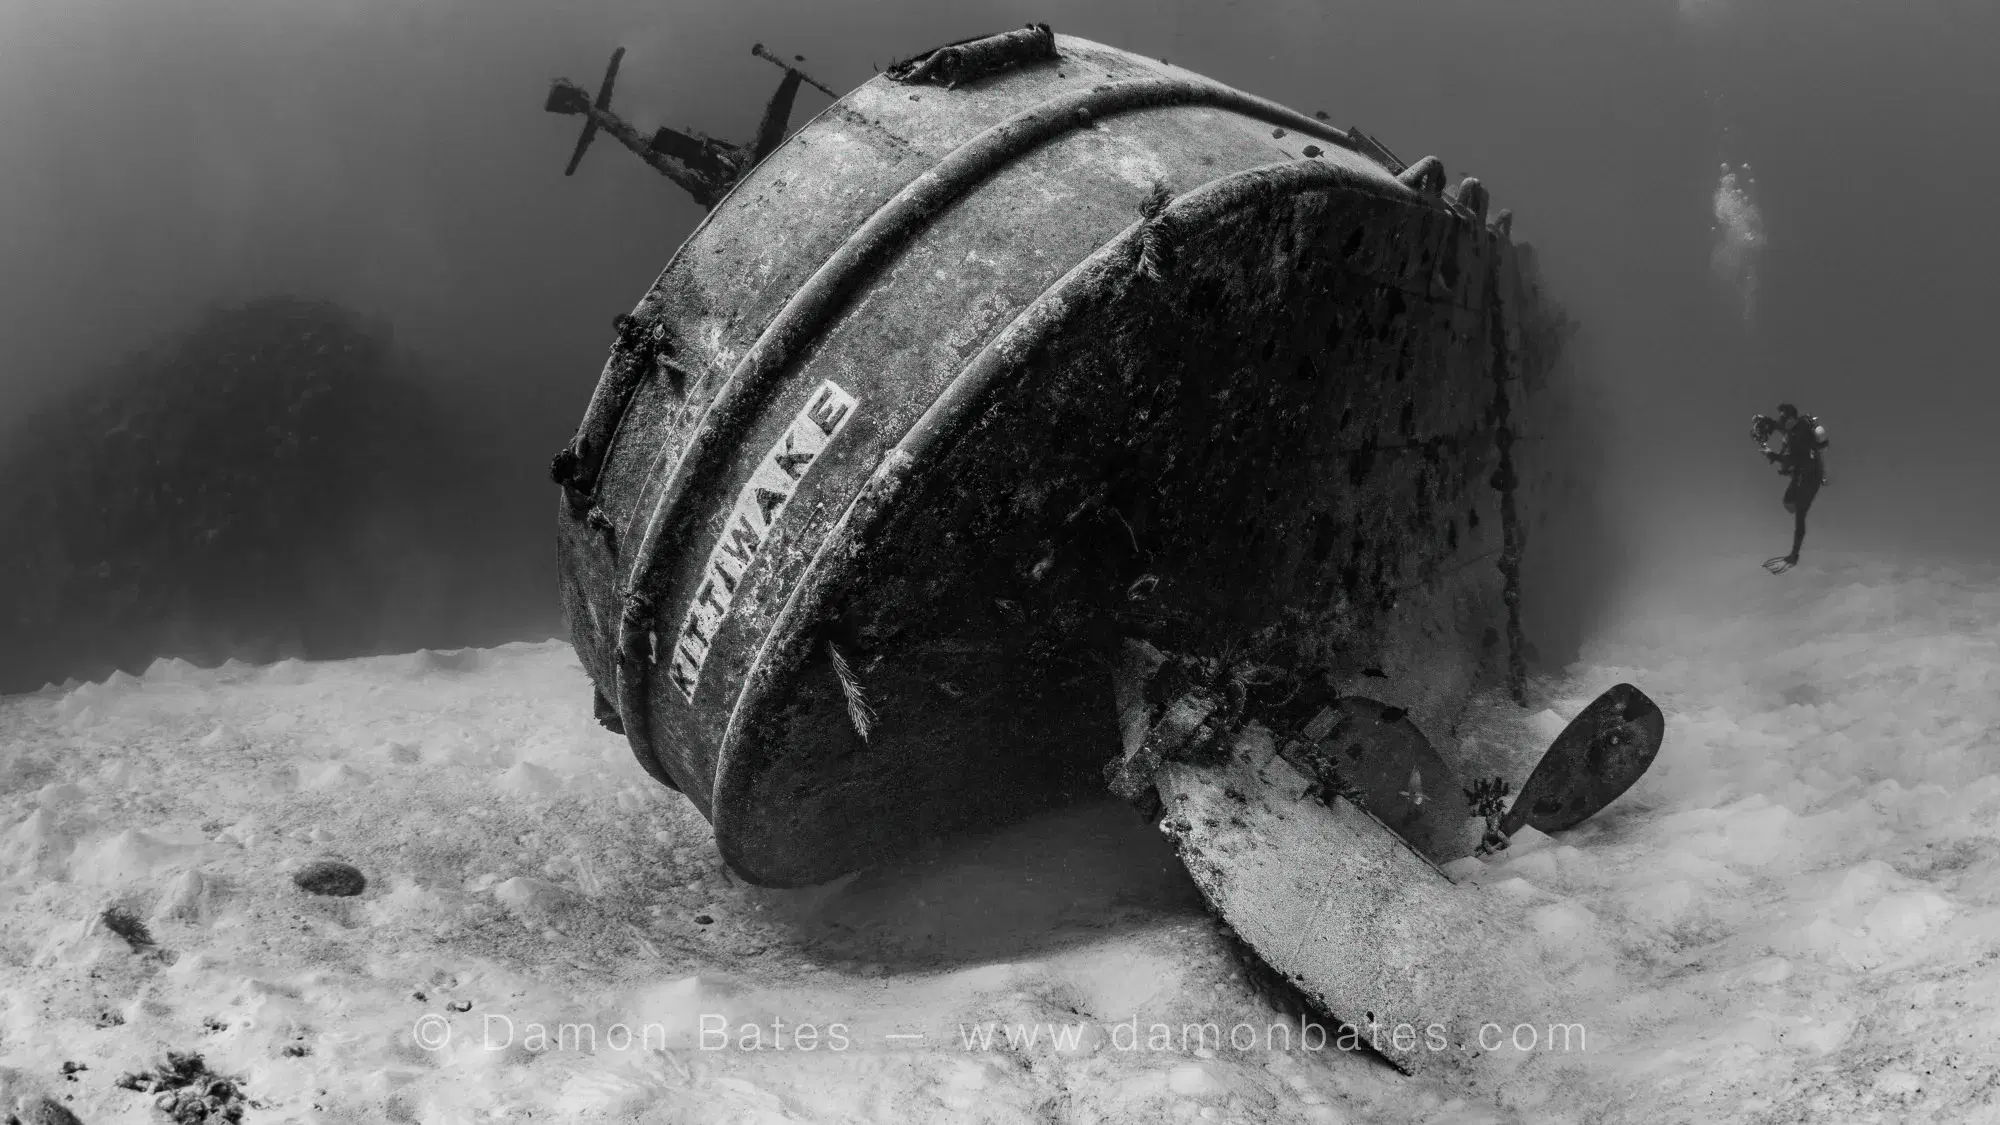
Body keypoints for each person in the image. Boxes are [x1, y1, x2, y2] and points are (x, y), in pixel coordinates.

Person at [1749, 403, 1829, 574]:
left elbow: (1794, 460)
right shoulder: (1792, 426)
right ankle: (1795, 485)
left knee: (1800, 515)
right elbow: (1778, 426)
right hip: (1800, 474)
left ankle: (1794, 555)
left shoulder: (1802, 436)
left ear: (1791, 420)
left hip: (1811, 479)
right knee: (1787, 503)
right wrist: (1765, 420)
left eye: (1784, 419)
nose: (1781, 421)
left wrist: (1772, 455)